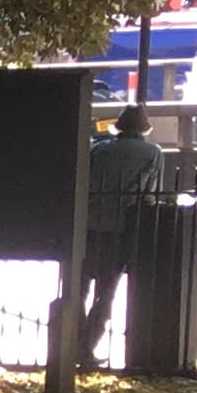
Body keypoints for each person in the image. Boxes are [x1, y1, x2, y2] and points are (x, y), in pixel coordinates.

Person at [78, 99, 171, 359]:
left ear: (119, 126)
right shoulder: (153, 154)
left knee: (79, 289)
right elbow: (152, 195)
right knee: (106, 293)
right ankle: (87, 347)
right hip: (120, 229)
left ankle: (72, 343)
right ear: (144, 127)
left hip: (89, 225)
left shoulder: (99, 150)